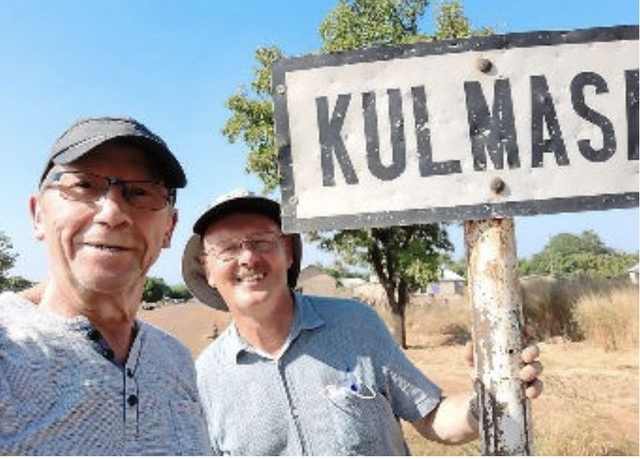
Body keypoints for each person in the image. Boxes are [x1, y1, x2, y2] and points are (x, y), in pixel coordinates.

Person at [182, 189, 543, 455]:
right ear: (207, 269)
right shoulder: (203, 381)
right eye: (228, 248)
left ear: (287, 252)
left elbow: (433, 418)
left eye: (262, 241)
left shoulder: (357, 325)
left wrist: (493, 395)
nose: (247, 258)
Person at [0, 117, 210, 455]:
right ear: (38, 215)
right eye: (83, 185)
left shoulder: (176, 360)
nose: (112, 212)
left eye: (140, 192)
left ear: (170, 228)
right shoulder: (9, 348)